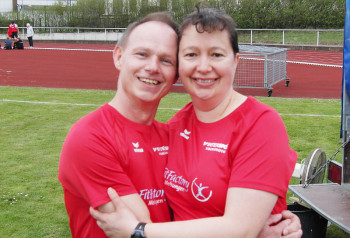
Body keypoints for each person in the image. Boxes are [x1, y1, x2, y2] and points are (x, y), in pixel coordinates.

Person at [90, 6, 301, 238]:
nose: (203, 67)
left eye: (216, 54)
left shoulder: (260, 125)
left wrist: (138, 231)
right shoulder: (176, 125)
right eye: (191, 54)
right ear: (179, 64)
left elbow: (240, 229)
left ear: (236, 60)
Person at [58, 12, 179, 237]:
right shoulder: (89, 137)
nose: (153, 67)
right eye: (142, 54)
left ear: (176, 74)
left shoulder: (173, 136)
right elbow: (139, 227)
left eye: (166, 60)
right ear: (119, 57)